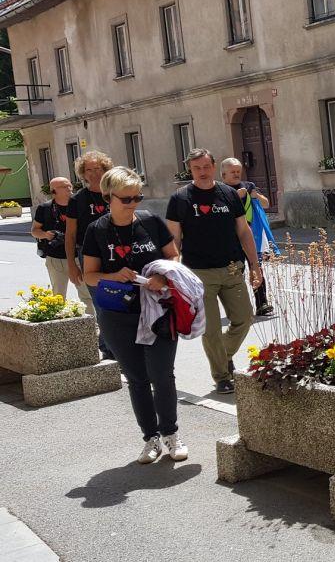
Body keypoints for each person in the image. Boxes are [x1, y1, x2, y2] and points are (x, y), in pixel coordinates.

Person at [82, 166, 189, 464]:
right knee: (137, 378)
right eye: (126, 199)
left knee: (162, 375)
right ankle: (150, 438)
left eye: (137, 198)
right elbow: (89, 276)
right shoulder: (97, 230)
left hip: (158, 310)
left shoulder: (151, 221)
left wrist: (164, 278)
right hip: (118, 315)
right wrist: (113, 276)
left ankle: (171, 434)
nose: (132, 204)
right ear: (108, 198)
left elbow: (173, 256)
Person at [166, 148, 262, 395]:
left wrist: (255, 265)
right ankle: (221, 376)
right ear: (190, 169)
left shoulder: (228, 194)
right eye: (197, 168)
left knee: (244, 318)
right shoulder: (180, 198)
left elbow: (244, 231)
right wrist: (173, 271)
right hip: (198, 273)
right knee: (210, 330)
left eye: (206, 167)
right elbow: (174, 239)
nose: (202, 172)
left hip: (231, 268)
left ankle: (222, 356)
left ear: (213, 166)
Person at [64, 151, 116, 358]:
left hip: (117, 252)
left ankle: (107, 342)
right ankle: (111, 349)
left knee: (120, 301)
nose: (94, 174)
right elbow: (70, 234)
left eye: (98, 169)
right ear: (82, 174)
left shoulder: (114, 194)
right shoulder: (77, 200)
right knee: (101, 302)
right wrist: (71, 264)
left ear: (106, 170)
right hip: (89, 257)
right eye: (89, 170)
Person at [219, 157, 274, 316]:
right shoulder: (219, 190)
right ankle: (237, 308)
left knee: (256, 267)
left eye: (238, 171)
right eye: (232, 172)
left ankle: (262, 304)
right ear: (223, 175)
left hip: (251, 235)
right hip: (230, 238)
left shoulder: (248, 186)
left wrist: (255, 195)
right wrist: (236, 196)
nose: (236, 175)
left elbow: (266, 204)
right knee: (235, 272)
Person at [31, 177, 73, 295]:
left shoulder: (78, 205)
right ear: (54, 191)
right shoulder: (45, 208)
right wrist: (45, 235)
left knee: (86, 295)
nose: (69, 188)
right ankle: (60, 314)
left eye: (70, 185)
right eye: (64, 186)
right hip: (55, 257)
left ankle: (91, 314)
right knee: (58, 295)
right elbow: (34, 231)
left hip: (78, 256)